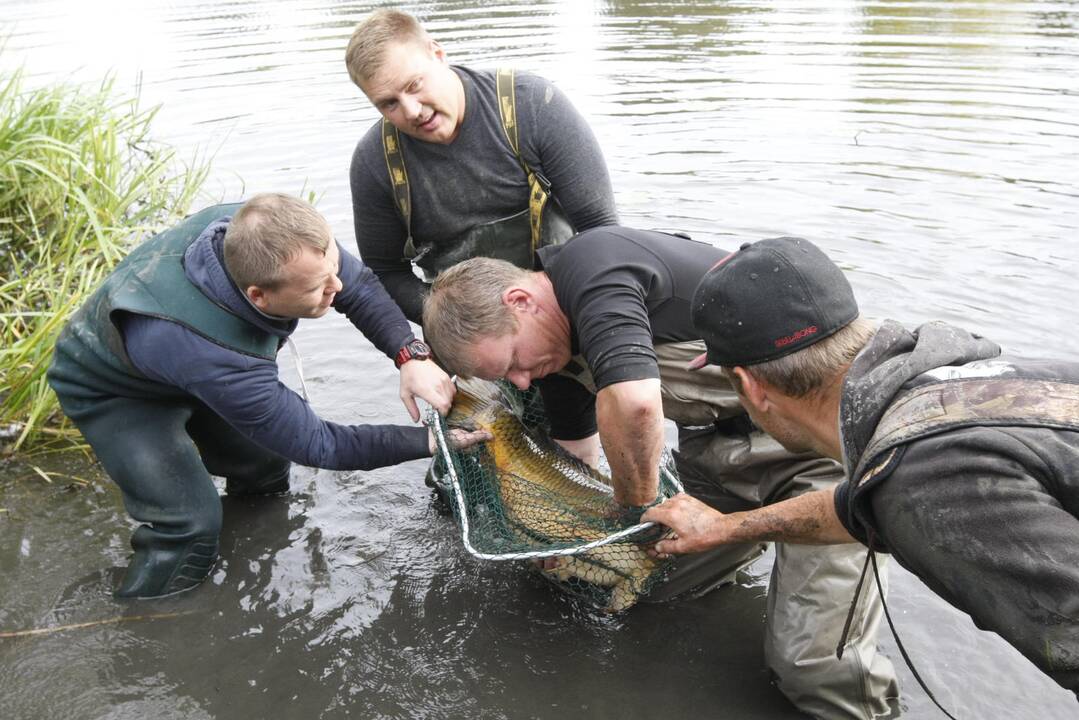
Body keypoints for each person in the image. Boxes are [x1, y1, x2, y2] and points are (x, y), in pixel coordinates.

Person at [421, 226, 899, 719]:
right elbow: (575, 455)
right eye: (507, 379)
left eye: (515, 362)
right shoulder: (555, 356)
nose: (522, 380)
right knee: (649, 584)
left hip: (825, 458)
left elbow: (636, 405)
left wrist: (633, 511)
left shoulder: (595, 269)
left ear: (521, 300)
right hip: (718, 454)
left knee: (810, 666)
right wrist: (569, 544)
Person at [641, 236, 1079, 695]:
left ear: (749, 389)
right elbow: (855, 509)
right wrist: (725, 528)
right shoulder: (947, 391)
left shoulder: (922, 478)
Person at [47, 194, 487, 600]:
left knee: (265, 468)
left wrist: (409, 354)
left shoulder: (274, 233)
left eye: (333, 267)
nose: (336, 287)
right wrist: (430, 442)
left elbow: (360, 287)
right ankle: (151, 620)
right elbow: (321, 444)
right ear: (258, 295)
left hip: (187, 362)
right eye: (318, 289)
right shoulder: (216, 356)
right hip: (117, 390)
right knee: (190, 527)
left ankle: (259, 545)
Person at [344, 8, 618, 324]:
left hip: (566, 300)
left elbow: (601, 227)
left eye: (414, 85)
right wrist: (460, 324)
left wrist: (569, 305)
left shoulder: (533, 105)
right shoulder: (374, 162)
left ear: (437, 53)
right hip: (465, 328)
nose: (412, 110)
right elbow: (385, 272)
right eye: (389, 103)